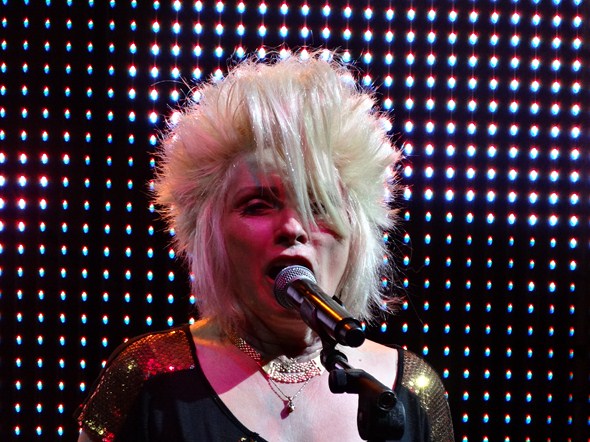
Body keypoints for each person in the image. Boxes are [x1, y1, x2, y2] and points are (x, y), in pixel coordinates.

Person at [75, 50, 454, 441]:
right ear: (212, 231)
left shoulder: (411, 393)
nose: (292, 228)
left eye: (318, 206)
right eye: (258, 205)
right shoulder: (150, 381)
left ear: (356, 231)